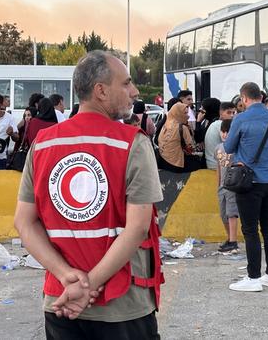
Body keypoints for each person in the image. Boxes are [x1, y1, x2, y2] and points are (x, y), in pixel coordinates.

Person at [14, 50, 163, 338]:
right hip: (122, 305)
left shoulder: (42, 144)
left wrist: (66, 277)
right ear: (101, 91)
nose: (134, 92)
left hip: (61, 301)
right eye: (126, 83)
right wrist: (89, 285)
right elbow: (137, 228)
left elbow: (24, 222)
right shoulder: (132, 144)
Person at [224, 82, 268, 292]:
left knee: (250, 230)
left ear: (244, 98)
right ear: (260, 96)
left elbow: (228, 146)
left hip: (250, 182)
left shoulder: (241, 119)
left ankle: (253, 278)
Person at [157, 102, 204, 173]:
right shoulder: (182, 127)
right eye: (185, 113)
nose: (187, 116)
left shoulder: (166, 125)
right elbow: (191, 146)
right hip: (176, 162)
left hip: (163, 161)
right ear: (178, 113)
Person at [215, 119, 240, 254]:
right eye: (223, 132)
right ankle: (229, 238)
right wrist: (218, 184)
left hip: (233, 187)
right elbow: (218, 167)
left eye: (227, 132)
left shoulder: (237, 148)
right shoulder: (218, 148)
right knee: (223, 214)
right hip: (222, 187)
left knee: (232, 214)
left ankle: (233, 242)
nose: (224, 134)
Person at [204, 101, 236, 169]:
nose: (232, 115)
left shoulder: (215, 124)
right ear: (221, 114)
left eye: (233, 113)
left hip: (212, 162)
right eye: (229, 112)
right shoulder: (221, 125)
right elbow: (230, 145)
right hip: (217, 165)